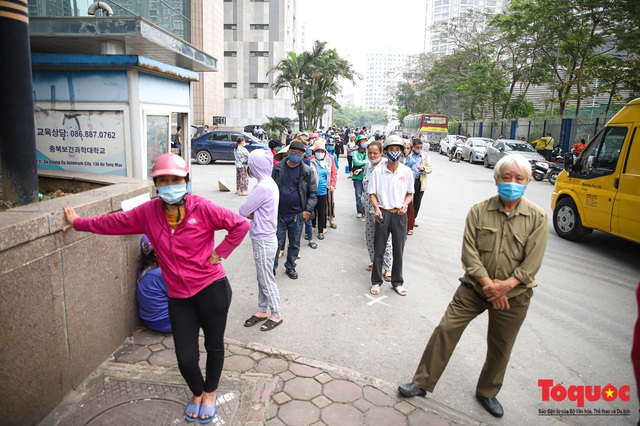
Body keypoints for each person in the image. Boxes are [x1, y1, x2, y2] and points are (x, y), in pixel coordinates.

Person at [62, 153, 250, 423]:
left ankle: (209, 393)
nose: (169, 184)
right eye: (163, 180)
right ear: (156, 184)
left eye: (175, 179)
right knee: (186, 357)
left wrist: (219, 253)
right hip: (178, 296)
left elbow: (239, 225)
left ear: (185, 180)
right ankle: (196, 391)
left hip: (211, 288)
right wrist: (79, 223)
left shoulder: (202, 207)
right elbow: (113, 224)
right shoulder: (148, 212)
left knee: (214, 345)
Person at [398, 155, 548, 419]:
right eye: (506, 177)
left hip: (515, 296)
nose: (512, 183)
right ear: (496, 179)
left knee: (501, 345)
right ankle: (422, 382)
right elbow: (470, 254)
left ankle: (487, 392)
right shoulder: (479, 210)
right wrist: (490, 286)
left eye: (518, 178)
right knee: (446, 329)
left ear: (528, 182)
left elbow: (532, 262)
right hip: (474, 289)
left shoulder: (537, 217)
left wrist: (506, 288)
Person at [239, 149, 283, 331]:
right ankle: (262, 309)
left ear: (256, 166)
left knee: (266, 278)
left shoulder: (262, 187)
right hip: (267, 237)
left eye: (251, 164)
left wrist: (253, 214)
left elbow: (243, 210)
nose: (249, 167)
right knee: (262, 276)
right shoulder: (269, 183)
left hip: (263, 239)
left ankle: (276, 313)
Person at [368, 135, 415, 296]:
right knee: (379, 249)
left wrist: (405, 204)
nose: (394, 152)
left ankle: (397, 282)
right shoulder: (378, 171)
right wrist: (376, 208)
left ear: (402, 152)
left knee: (398, 250)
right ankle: (376, 282)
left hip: (400, 214)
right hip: (383, 213)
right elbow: (372, 193)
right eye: (391, 150)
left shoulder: (406, 171)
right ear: (386, 151)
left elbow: (410, 193)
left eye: (397, 150)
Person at [272, 141, 318, 279]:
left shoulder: (307, 171)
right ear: (288, 152)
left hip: (297, 215)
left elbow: (313, 194)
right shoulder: (278, 168)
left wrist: (307, 211)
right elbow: (271, 189)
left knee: (294, 243)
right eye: (293, 152)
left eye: (299, 153)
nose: (296, 155)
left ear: (304, 155)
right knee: (275, 243)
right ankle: (271, 268)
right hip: (279, 214)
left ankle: (290, 266)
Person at [362, 140, 393, 281]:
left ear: (382, 153)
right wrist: (364, 203)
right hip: (369, 208)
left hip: (382, 209)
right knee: (369, 237)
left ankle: (387, 267)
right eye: (370, 153)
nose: (372, 155)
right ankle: (375, 261)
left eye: (375, 153)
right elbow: (365, 187)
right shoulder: (368, 165)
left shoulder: (386, 166)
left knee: (384, 239)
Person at [137, 235, 171, 333]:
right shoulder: (161, 273)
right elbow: (181, 294)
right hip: (165, 322)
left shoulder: (144, 268)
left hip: (148, 321)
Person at [309, 139, 334, 242]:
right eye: (318, 151)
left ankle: (320, 231)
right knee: (312, 211)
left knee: (322, 211)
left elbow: (331, 174)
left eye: (322, 152)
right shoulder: (310, 163)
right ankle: (310, 229)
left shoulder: (327, 163)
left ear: (324, 153)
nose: (320, 153)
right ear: (314, 153)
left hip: (323, 191)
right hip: (312, 191)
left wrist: (331, 185)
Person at [408, 138, 433, 230]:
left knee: (417, 202)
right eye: (417, 147)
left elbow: (430, 167)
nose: (419, 149)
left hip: (419, 180)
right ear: (413, 147)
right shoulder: (408, 155)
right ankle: (407, 219)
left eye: (421, 147)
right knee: (408, 200)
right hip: (409, 180)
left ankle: (412, 219)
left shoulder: (425, 156)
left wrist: (423, 168)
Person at [352, 135, 368, 218]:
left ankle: (366, 210)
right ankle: (359, 211)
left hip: (367, 177)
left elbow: (370, 161)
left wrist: (363, 163)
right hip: (358, 177)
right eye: (362, 141)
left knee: (367, 195)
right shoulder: (355, 153)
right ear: (358, 143)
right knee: (358, 195)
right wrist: (365, 162)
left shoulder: (369, 152)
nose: (365, 142)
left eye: (365, 140)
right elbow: (356, 162)